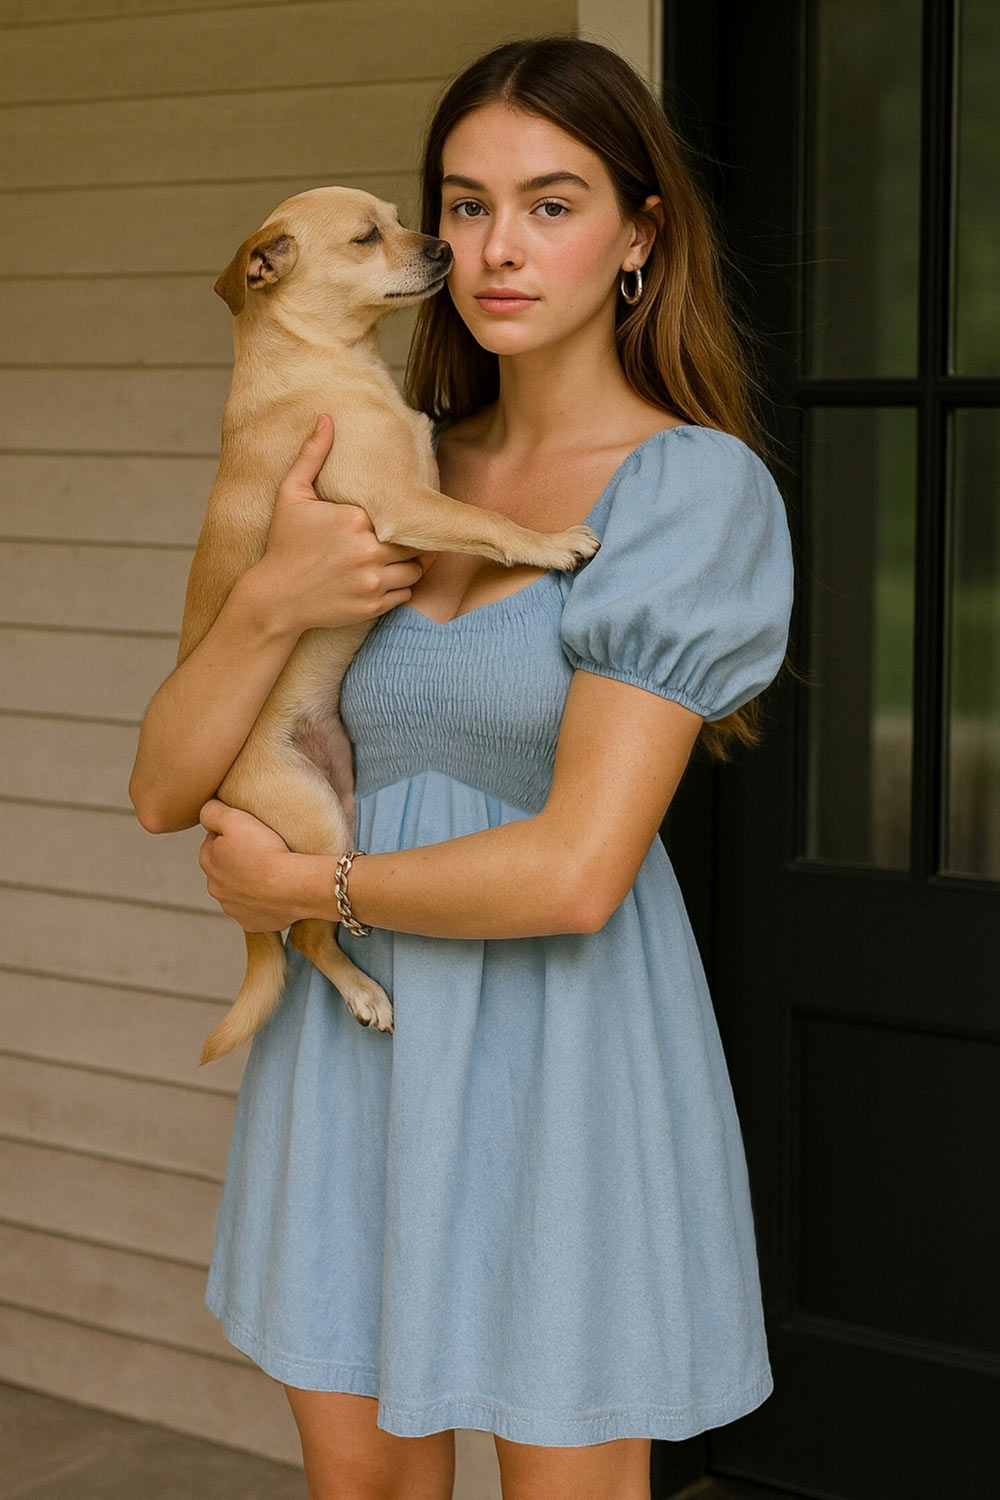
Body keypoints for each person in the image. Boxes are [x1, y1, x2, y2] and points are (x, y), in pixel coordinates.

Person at [130, 35, 794, 1500]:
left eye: (552, 205)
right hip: (353, 1057)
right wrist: (276, 595)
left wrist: (307, 881)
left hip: (558, 1059)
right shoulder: (366, 456)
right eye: (467, 201)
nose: (496, 247)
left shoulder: (688, 492)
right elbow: (166, 786)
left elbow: (574, 874)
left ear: (641, 233)